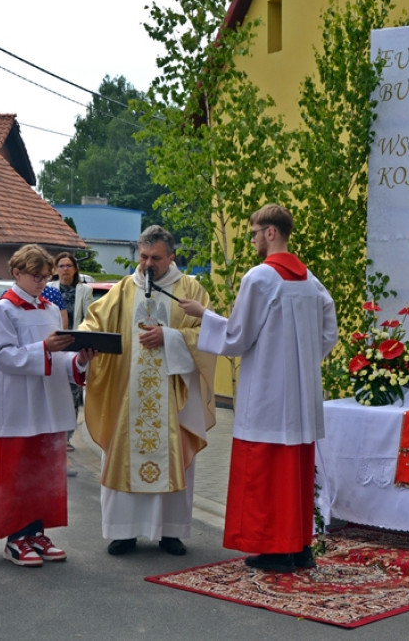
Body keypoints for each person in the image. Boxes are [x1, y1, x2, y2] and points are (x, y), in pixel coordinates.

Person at [180, 205, 337, 573]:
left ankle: (275, 549)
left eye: (253, 233)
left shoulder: (260, 278)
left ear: (270, 233)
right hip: (299, 395)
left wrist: (204, 315)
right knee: (294, 472)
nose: (251, 240)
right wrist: (303, 362)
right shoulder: (310, 281)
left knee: (264, 472)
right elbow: (329, 333)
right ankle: (299, 546)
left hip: (268, 393)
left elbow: (236, 336)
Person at [82, 225, 217, 557]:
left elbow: (208, 333)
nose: (147, 264)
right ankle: (123, 533)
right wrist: (83, 340)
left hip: (173, 396)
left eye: (155, 258)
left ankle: (170, 533)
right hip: (127, 394)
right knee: (121, 455)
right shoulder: (126, 288)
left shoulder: (190, 290)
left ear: (171, 257)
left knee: (174, 459)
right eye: (143, 256)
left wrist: (169, 337)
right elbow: (94, 320)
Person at [0, 244, 94, 567]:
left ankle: (36, 532)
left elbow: (58, 358)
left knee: (42, 469)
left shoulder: (50, 309)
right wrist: (44, 347)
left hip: (47, 400)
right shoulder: (4, 310)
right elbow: (2, 355)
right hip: (17, 402)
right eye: (37, 276)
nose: (43, 282)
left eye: (46, 277)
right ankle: (15, 538)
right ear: (17, 273)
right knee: (17, 469)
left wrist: (78, 361)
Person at [48, 251, 92, 446]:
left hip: (75, 345)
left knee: (73, 393)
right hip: (54, 345)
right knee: (55, 390)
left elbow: (89, 317)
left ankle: (67, 436)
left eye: (68, 266)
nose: (65, 269)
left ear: (75, 269)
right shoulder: (49, 289)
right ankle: (53, 433)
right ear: (56, 270)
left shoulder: (84, 291)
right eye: (61, 266)